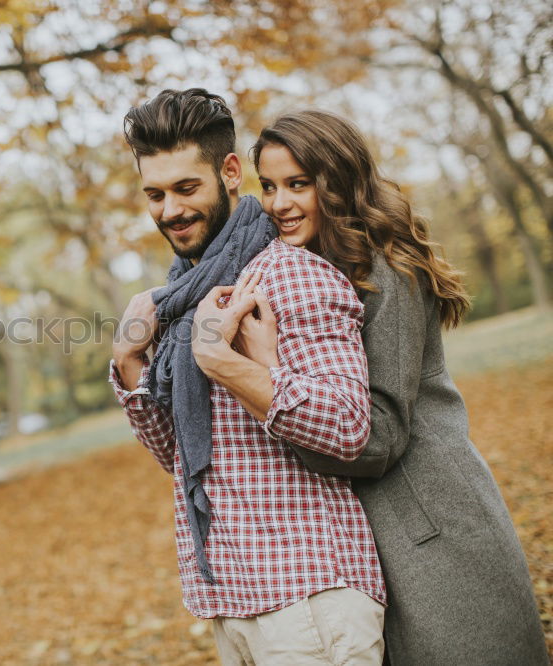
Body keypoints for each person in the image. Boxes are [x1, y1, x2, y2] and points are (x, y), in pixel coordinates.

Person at [222, 109, 548, 664]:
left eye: (299, 184)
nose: (279, 204)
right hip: (373, 535)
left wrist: (268, 375)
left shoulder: (386, 270)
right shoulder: (310, 267)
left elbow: (379, 437)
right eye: (270, 186)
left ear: (337, 180)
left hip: (431, 527)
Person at [111, 88, 387, 664]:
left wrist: (225, 363)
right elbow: (184, 458)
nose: (170, 211)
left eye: (186, 188)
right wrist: (131, 366)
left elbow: (348, 428)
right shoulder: (179, 301)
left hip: (309, 598)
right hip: (231, 597)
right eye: (155, 194)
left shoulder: (289, 277)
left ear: (230, 171)